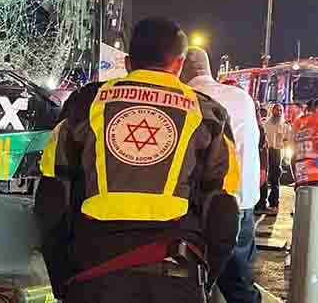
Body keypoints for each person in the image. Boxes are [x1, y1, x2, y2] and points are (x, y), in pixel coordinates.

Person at [35, 17, 240, 303]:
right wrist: (203, 278)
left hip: (94, 275)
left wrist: (63, 279)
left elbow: (51, 199)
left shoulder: (85, 104)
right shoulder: (208, 114)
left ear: (128, 62)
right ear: (179, 65)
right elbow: (224, 213)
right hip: (176, 275)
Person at [181, 47, 261, 303]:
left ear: (180, 69)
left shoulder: (186, 99)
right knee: (240, 286)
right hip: (243, 203)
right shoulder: (243, 98)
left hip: (201, 208)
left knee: (189, 282)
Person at [257, 103, 291, 214]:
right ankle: (261, 204)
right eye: (277, 110)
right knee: (263, 178)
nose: (279, 112)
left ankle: (274, 204)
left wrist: (286, 156)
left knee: (275, 179)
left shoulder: (285, 126)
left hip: (277, 153)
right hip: (266, 152)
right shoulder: (265, 124)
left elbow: (287, 141)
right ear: (272, 111)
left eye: (281, 110)